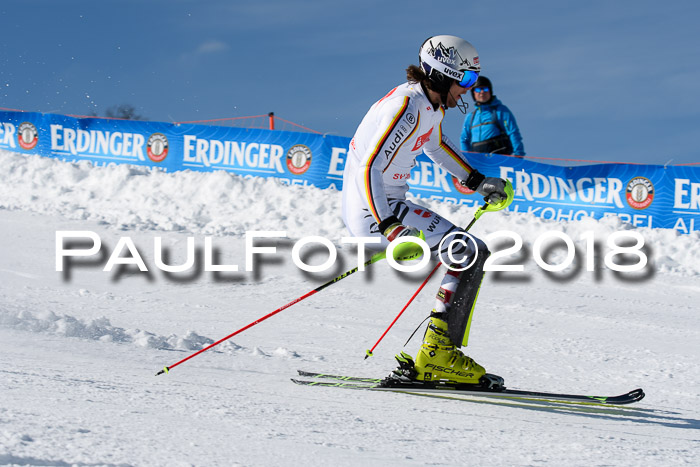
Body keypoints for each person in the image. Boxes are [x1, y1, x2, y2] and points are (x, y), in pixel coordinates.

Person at [342, 35, 509, 388]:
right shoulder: (405, 105)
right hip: (374, 210)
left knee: (470, 250)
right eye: (465, 80)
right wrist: (388, 225)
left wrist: (476, 181)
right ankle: (437, 354)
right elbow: (367, 168)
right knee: (468, 250)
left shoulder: (430, 106)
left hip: (391, 205)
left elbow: (435, 145)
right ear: (443, 74)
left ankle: (437, 352)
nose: (468, 89)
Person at [460, 76, 525, 157]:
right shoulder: (470, 117)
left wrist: (518, 155)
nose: (482, 92)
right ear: (473, 93)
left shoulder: (500, 111)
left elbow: (513, 132)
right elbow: (464, 139)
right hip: (479, 160)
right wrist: (467, 158)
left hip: (498, 157)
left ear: (490, 91)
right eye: (478, 89)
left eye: (485, 89)